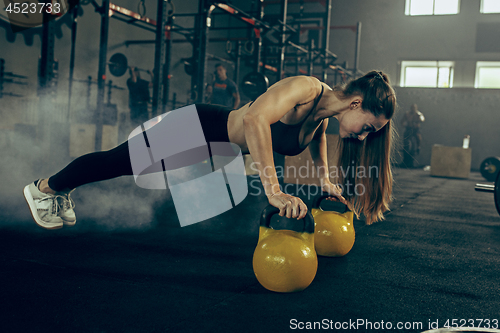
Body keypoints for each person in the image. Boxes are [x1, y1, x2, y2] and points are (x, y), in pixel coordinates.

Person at [23, 71, 396, 230]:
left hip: (218, 150)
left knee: (132, 169)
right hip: (200, 127)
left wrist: (326, 179)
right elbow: (254, 121)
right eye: (367, 128)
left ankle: (61, 190)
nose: (363, 138)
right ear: (356, 103)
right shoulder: (306, 89)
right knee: (120, 160)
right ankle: (45, 188)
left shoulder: (322, 117)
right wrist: (274, 189)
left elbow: (315, 137)